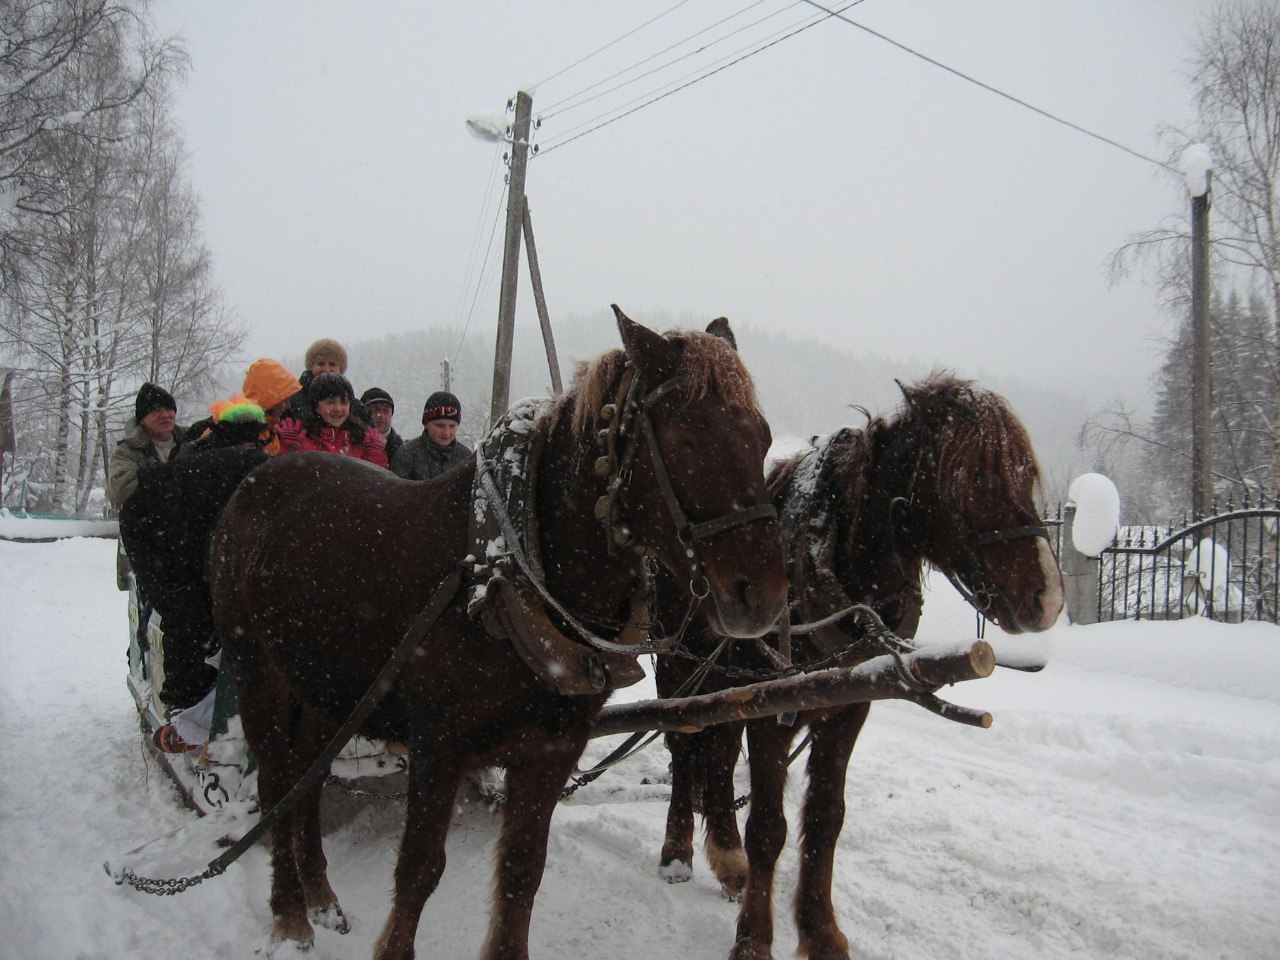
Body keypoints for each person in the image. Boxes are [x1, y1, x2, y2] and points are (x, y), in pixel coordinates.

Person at [107, 383, 188, 591]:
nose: (165, 415)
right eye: (156, 410)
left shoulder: (193, 439)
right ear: (142, 418)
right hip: (149, 549)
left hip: (188, 547)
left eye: (169, 408)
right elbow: (120, 489)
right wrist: (169, 477)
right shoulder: (127, 451)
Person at [278, 372, 388, 467]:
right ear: (316, 406)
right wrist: (288, 450)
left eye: (344, 402)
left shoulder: (360, 440)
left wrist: (375, 456)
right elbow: (286, 476)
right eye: (330, 402)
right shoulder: (302, 438)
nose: (338, 409)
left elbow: (375, 481)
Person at [390, 390, 473, 481]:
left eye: (452, 426)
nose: (446, 432)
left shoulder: (465, 457)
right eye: (440, 426)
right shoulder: (406, 455)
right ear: (426, 424)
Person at [287, 338, 349, 424]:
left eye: (332, 364)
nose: (326, 369)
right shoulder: (293, 399)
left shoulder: (350, 399)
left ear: (341, 368)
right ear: (311, 366)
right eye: (320, 364)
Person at [360, 386, 404, 462]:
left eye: (386, 410)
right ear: (363, 414)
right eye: (375, 410)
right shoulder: (351, 443)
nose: (380, 415)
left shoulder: (403, 450)